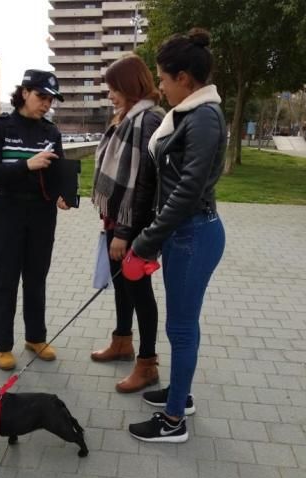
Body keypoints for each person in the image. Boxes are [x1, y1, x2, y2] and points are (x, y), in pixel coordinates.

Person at [125, 28, 227, 442]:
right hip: (183, 233)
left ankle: (173, 423)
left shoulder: (204, 117)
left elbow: (187, 191)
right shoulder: (188, 113)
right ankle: (179, 397)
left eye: (163, 79)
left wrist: (145, 242)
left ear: (184, 77)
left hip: (193, 234)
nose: (160, 86)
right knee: (181, 326)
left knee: (182, 329)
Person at [0, 69, 70, 371]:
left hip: (43, 214)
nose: (46, 104)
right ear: (24, 93)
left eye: (51, 100)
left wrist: (63, 194)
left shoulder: (51, 132)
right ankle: (3, 346)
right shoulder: (0, 126)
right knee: (5, 280)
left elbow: (57, 171)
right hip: (7, 211)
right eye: (41, 97)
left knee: (36, 278)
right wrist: (26, 165)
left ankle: (36, 337)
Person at [89, 54, 164, 393]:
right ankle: (122, 343)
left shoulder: (148, 119)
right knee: (122, 286)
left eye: (114, 89)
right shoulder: (127, 116)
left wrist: (123, 232)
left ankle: (147, 364)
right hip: (115, 221)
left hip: (133, 225)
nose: (110, 95)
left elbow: (144, 183)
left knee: (139, 291)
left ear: (131, 86)